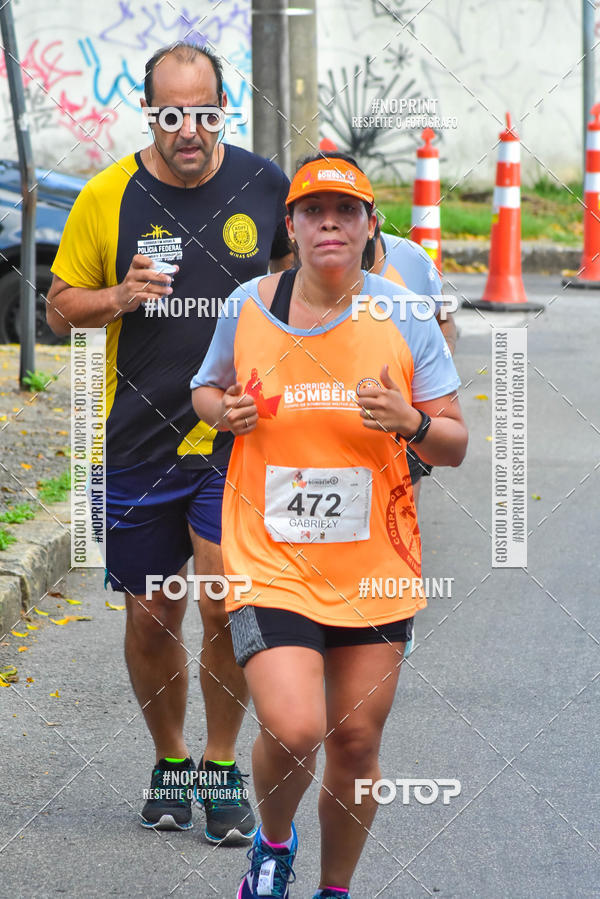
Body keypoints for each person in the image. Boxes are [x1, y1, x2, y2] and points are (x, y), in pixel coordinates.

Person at [191, 154, 467, 898]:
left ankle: (334, 889)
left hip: (375, 567)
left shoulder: (405, 315)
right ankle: (273, 845)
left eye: (346, 211)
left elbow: (455, 440)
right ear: (293, 226)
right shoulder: (248, 304)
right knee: (294, 725)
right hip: (268, 559)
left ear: (370, 226)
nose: (330, 224)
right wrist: (227, 413)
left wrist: (410, 420)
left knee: (354, 741)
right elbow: (206, 390)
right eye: (314, 211)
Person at [47, 42, 292, 840]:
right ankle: (170, 755)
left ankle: (221, 765)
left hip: (236, 442)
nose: (191, 130)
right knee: (154, 614)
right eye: (173, 114)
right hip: (139, 443)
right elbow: (57, 307)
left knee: (223, 607)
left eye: (206, 113)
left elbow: (310, 287)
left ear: (226, 108)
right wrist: (118, 295)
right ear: (150, 113)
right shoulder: (108, 196)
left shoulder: (263, 184)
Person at [371, 217, 458, 506]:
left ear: (373, 223)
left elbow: (444, 323)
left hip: (401, 418)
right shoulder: (306, 260)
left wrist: (431, 374)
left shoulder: (411, 259)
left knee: (401, 524)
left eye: (347, 212)